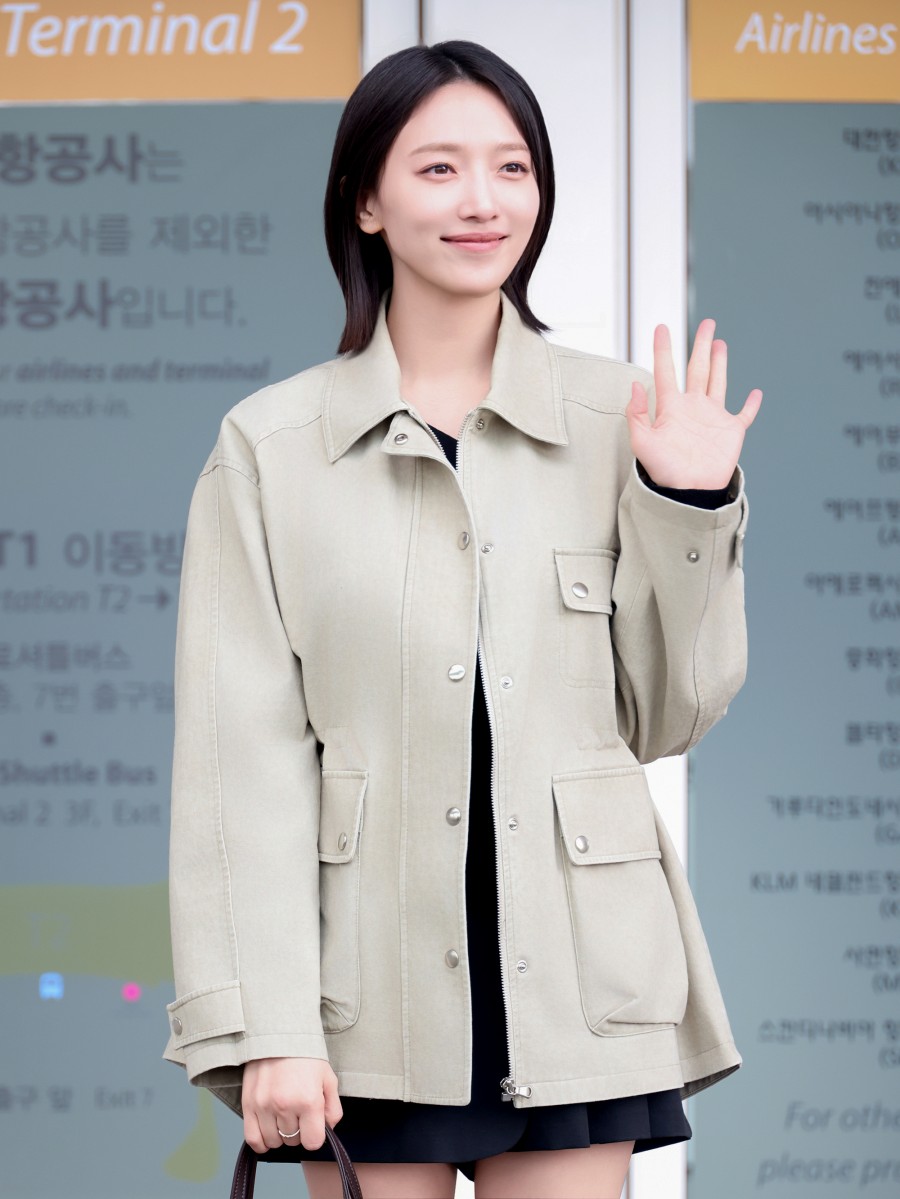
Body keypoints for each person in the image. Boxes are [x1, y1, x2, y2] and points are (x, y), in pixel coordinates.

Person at [162, 39, 761, 1199]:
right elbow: (240, 769)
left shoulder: (626, 417)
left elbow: (667, 714)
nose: (484, 200)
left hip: (582, 979)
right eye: (438, 168)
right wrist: (270, 1023)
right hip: (366, 989)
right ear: (366, 200)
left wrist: (689, 504)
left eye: (512, 167)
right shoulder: (272, 447)